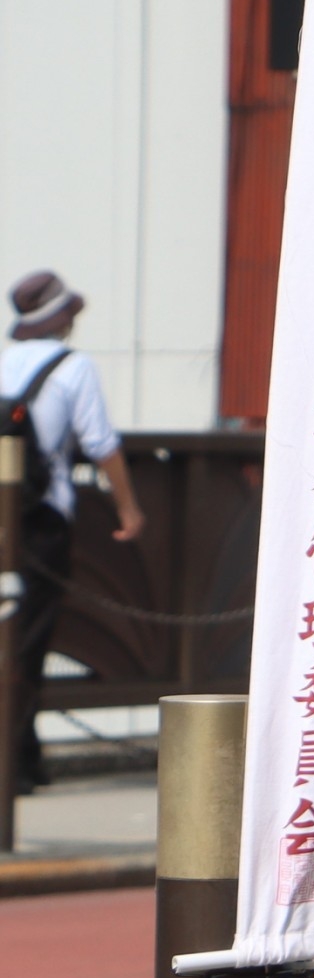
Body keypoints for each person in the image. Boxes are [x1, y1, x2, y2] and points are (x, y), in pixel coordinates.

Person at [2, 272, 144, 792]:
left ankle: (26, 757)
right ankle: (13, 768)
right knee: (28, 642)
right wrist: (128, 509)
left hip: (1, 516)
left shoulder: (3, 364)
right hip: (41, 523)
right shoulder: (72, 367)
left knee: (8, 637)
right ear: (62, 319)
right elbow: (100, 441)